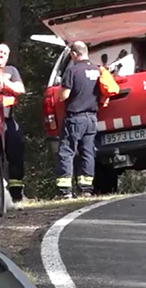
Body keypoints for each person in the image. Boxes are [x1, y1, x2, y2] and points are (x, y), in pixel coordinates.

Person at [54, 41, 102, 198]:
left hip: (75, 119)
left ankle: (65, 191)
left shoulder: (72, 71)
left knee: (66, 152)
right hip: (92, 119)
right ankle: (86, 189)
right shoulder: (97, 70)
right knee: (88, 152)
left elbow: (64, 95)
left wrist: (58, 94)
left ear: (73, 54)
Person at [0, 43, 27, 202]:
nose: (1, 55)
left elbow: (21, 89)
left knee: (16, 152)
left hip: (7, 120)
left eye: (5, 53)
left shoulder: (11, 71)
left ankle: (16, 193)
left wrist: (5, 83)